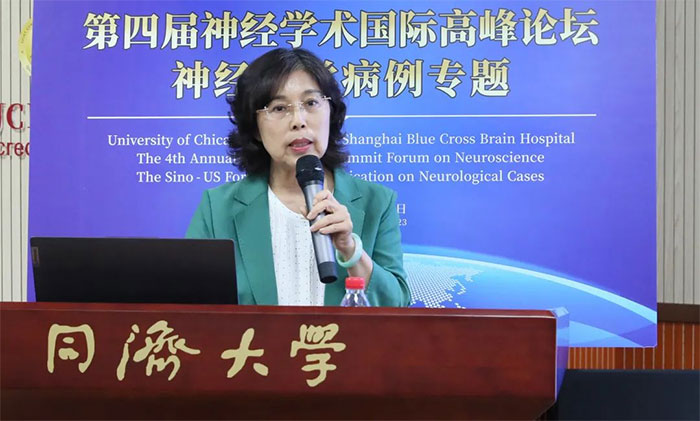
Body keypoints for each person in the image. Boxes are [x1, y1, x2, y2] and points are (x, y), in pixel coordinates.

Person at [186, 48, 410, 307]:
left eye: (311, 103)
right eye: (279, 108)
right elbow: (189, 307)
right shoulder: (218, 208)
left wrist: (350, 248)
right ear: (255, 128)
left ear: (331, 112)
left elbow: (397, 306)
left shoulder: (376, 202)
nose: (298, 121)